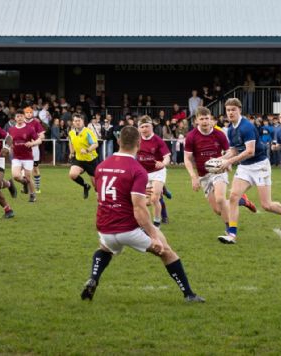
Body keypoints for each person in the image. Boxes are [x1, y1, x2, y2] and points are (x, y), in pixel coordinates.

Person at [80, 125, 204, 303]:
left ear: (118, 141)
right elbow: (139, 208)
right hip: (128, 229)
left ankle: (93, 278)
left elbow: (103, 195)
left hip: (105, 227)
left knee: (105, 249)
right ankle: (189, 294)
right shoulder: (137, 169)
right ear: (139, 143)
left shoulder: (101, 166)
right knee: (166, 252)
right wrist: (153, 236)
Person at [217, 99, 281, 245]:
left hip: (260, 166)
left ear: (239, 110)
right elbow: (234, 150)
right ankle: (232, 234)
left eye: (233, 110)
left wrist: (229, 162)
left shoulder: (246, 127)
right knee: (234, 197)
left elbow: (250, 151)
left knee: (266, 205)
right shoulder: (230, 129)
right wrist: (220, 159)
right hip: (245, 167)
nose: (230, 113)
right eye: (228, 110)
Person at [184, 107, 232, 235]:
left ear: (211, 119)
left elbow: (229, 152)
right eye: (202, 119)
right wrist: (193, 177)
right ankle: (240, 200)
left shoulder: (219, 134)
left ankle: (230, 229)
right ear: (196, 120)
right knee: (217, 210)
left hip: (218, 171)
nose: (205, 121)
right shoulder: (191, 136)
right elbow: (187, 158)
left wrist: (223, 161)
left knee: (220, 199)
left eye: (207, 118)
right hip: (203, 175)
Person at [136, 115, 171, 227]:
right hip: (143, 174)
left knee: (155, 198)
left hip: (157, 172)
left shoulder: (158, 140)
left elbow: (167, 157)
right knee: (146, 202)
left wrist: (163, 163)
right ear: (138, 129)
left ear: (151, 127)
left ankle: (156, 223)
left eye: (147, 126)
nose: (144, 129)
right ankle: (163, 190)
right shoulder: (136, 141)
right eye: (142, 127)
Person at [9, 109, 42, 203]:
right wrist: (9, 147)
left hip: (27, 157)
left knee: (28, 177)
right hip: (16, 157)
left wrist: (32, 143)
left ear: (24, 117)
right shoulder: (11, 129)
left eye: (21, 116)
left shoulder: (29, 129)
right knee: (15, 176)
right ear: (15, 118)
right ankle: (24, 183)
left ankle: (32, 195)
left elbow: (39, 140)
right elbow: (9, 142)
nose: (19, 118)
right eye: (17, 116)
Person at [68, 113, 98, 199]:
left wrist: (87, 150)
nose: (77, 122)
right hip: (79, 159)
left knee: (96, 186)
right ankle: (85, 186)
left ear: (83, 121)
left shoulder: (88, 132)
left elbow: (95, 144)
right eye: (75, 121)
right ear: (73, 122)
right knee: (72, 174)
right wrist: (71, 152)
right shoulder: (71, 133)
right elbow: (70, 142)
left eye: (79, 121)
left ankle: (99, 199)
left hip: (90, 160)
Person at [24, 107, 45, 193]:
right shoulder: (21, 123)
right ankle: (26, 187)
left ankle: (37, 187)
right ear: (24, 114)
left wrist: (35, 141)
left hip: (34, 148)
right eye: (27, 112)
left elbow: (42, 136)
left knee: (35, 168)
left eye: (30, 112)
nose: (29, 114)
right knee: (24, 169)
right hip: (24, 148)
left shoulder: (36, 123)